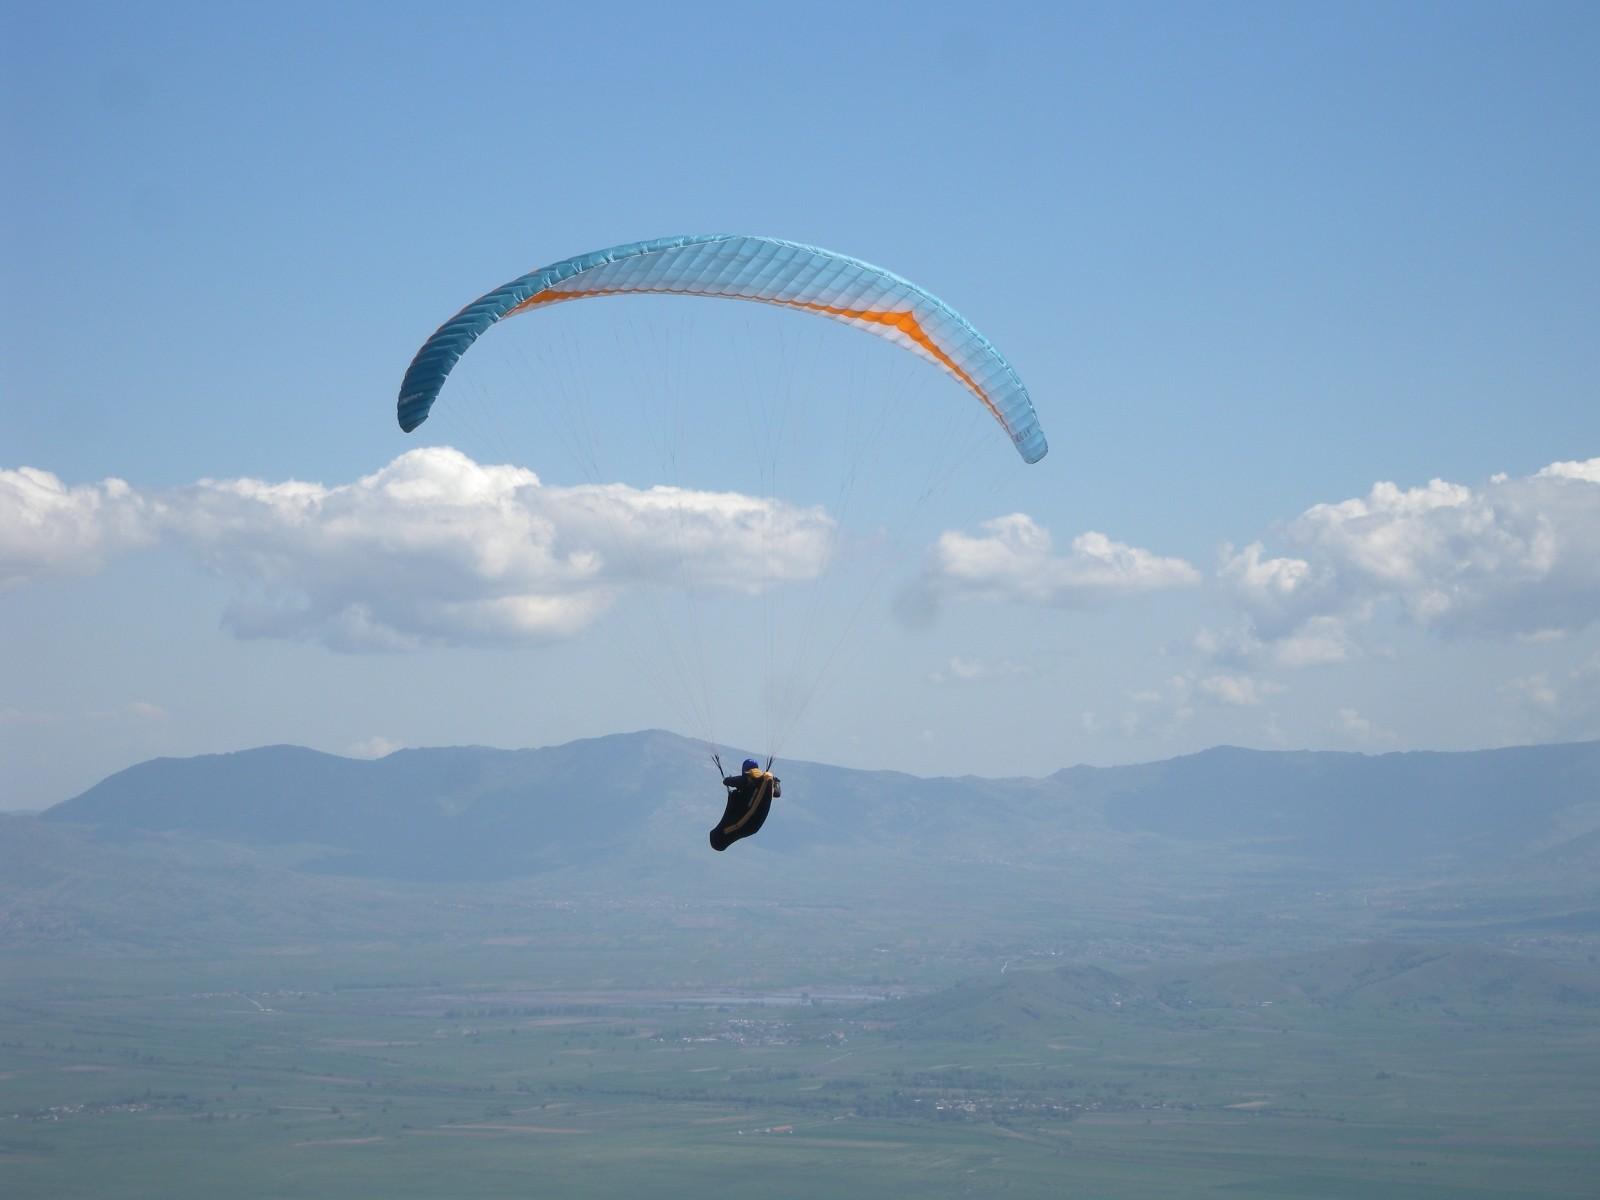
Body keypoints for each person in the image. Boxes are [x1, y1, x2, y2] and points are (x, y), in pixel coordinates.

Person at [710, 757, 780, 852]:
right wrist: (775, 783)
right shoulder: (765, 783)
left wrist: (729, 779)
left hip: (745, 822)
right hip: (754, 823)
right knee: (717, 839)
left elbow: (727, 781)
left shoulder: (747, 779)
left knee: (716, 840)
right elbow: (777, 793)